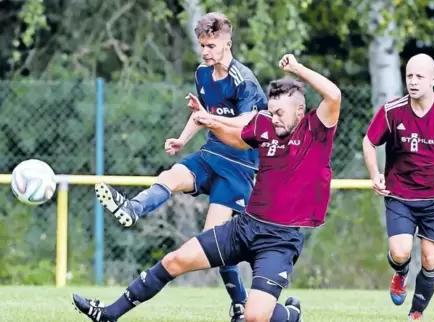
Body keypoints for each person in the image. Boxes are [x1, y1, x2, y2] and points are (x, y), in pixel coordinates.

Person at [72, 54, 341, 322]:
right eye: (271, 112)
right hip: (246, 227)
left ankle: (291, 315)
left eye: (280, 113)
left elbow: (334, 95)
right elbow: (237, 140)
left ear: (299, 110)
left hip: (279, 240)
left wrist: (297, 68)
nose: (274, 118)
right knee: (175, 260)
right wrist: (209, 121)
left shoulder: (316, 130)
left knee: (255, 317)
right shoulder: (265, 124)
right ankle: (109, 314)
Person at [94, 12, 267, 321]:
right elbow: (202, 114)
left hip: (239, 168)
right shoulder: (203, 74)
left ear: (228, 42)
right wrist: (182, 140)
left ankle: (239, 303)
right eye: (202, 45)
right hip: (211, 154)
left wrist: (211, 119)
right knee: (170, 175)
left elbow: (245, 124)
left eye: (211, 45)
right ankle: (133, 208)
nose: (205, 51)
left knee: (215, 240)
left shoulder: (244, 80)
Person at [362, 53, 434, 320]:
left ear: (433, 80)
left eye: (419, 76)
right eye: (409, 75)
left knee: (431, 261)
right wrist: (375, 173)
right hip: (401, 194)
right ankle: (400, 274)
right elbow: (369, 142)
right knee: (400, 253)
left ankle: (416, 313)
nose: (413, 81)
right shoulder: (392, 111)